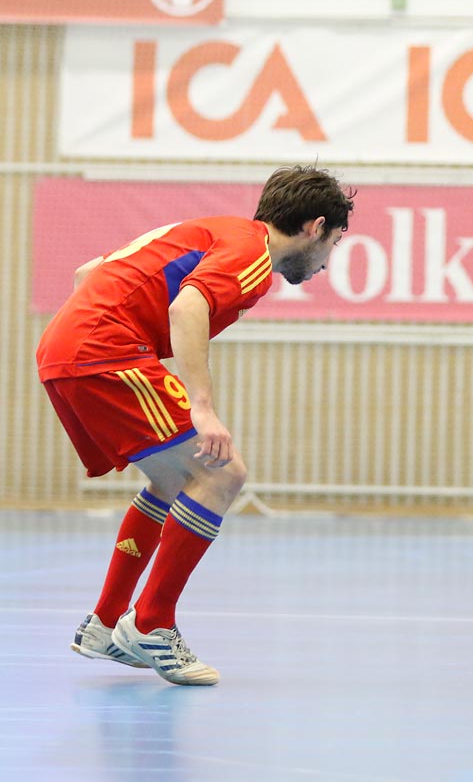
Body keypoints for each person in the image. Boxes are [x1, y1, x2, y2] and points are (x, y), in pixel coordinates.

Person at [38, 165, 356, 686]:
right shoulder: (252, 255)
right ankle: (151, 622)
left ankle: (103, 622)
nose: (326, 263)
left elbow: (87, 271)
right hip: (103, 351)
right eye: (334, 243)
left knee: (170, 481)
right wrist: (202, 408)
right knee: (223, 473)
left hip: (69, 347)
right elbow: (190, 306)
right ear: (314, 227)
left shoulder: (224, 232)